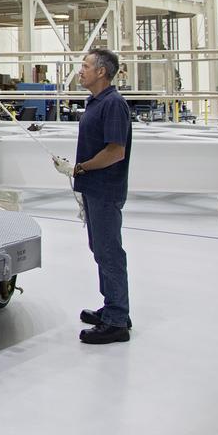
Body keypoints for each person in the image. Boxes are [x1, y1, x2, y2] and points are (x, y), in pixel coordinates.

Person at [73, 47, 134, 345]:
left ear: (101, 72)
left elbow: (115, 151)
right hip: (93, 188)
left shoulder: (113, 104)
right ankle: (113, 307)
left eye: (85, 66)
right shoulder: (95, 102)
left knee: (109, 252)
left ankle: (117, 320)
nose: (80, 70)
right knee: (100, 250)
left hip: (105, 189)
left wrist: (82, 167)